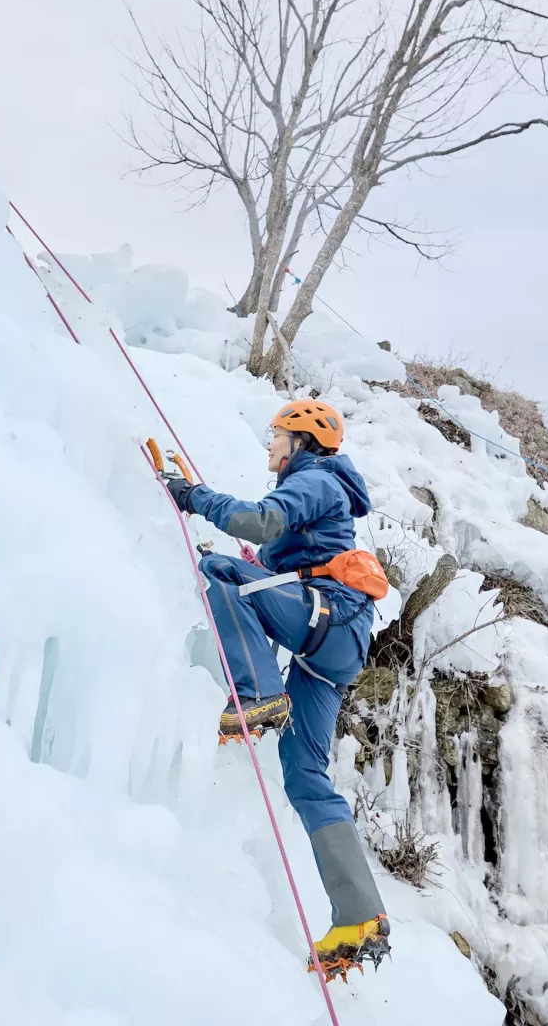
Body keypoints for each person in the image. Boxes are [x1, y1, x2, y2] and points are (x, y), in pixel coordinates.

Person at [160, 398, 391, 979]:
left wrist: (193, 498)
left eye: (276, 435)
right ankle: (358, 915)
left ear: (302, 440)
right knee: (306, 776)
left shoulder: (315, 479)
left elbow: (260, 522)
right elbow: (279, 550)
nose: (270, 445)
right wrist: (259, 562)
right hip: (337, 644)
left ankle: (259, 692)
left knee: (221, 576)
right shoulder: (326, 492)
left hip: (328, 618)